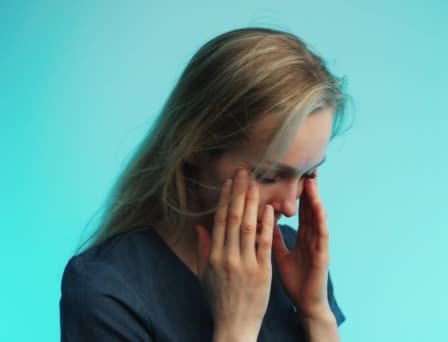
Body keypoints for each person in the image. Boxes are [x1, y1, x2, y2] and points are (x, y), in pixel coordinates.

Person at [59, 27, 349, 341]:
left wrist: (316, 311)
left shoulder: (292, 257)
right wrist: (236, 329)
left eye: (308, 175)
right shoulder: (107, 294)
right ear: (194, 144)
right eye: (268, 176)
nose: (291, 207)